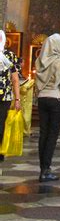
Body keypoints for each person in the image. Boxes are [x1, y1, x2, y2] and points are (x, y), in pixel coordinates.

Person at [35, 33, 60, 181]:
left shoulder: (40, 60)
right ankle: (46, 169)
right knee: (52, 136)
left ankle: (42, 168)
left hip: (42, 99)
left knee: (43, 133)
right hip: (56, 99)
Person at [0, 30, 21, 162]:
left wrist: (17, 98)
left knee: (1, 124)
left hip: (5, 97)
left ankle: (0, 150)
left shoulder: (9, 55)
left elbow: (15, 79)